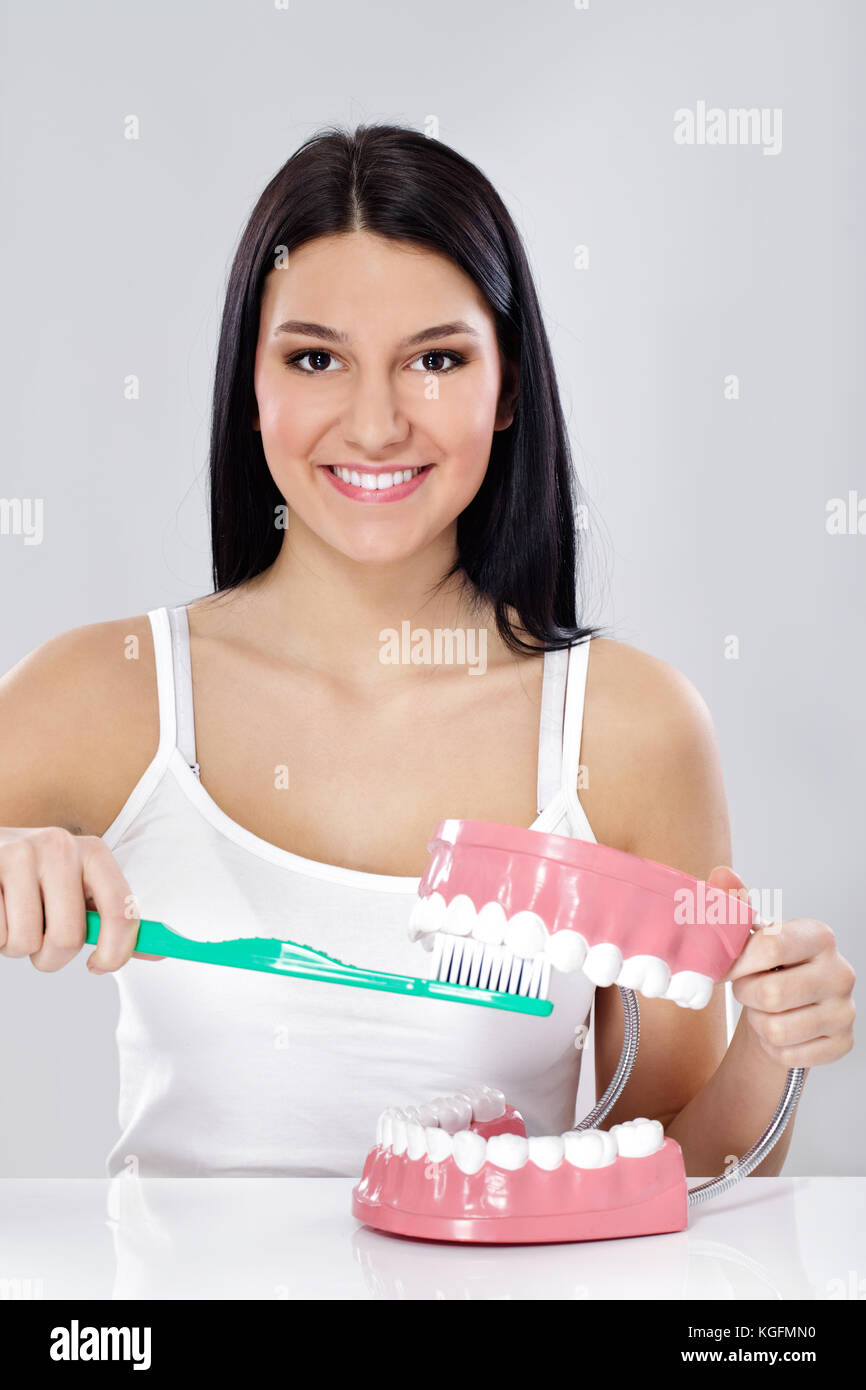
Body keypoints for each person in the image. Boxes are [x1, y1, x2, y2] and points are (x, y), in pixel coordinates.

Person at [0, 124, 854, 1178]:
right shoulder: (105, 695)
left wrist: (774, 1046)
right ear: (249, 388)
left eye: (435, 360)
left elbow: (668, 1175)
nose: (372, 423)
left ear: (504, 391)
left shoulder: (630, 730)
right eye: (315, 358)